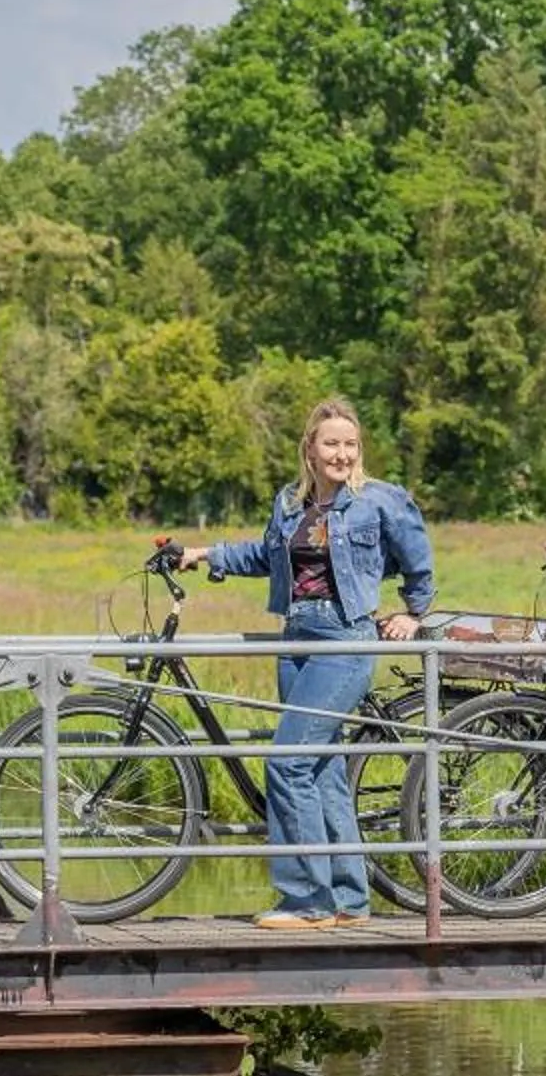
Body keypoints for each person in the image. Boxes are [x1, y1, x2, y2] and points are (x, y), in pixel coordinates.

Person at [182, 398, 434, 930]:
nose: (342, 454)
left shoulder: (379, 502)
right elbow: (265, 557)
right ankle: (348, 900)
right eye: (332, 444)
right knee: (320, 772)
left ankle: (306, 902)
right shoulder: (290, 504)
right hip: (297, 638)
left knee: (287, 762)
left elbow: (418, 559)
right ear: (310, 451)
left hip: (345, 640)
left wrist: (414, 613)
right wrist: (207, 554)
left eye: (350, 444)